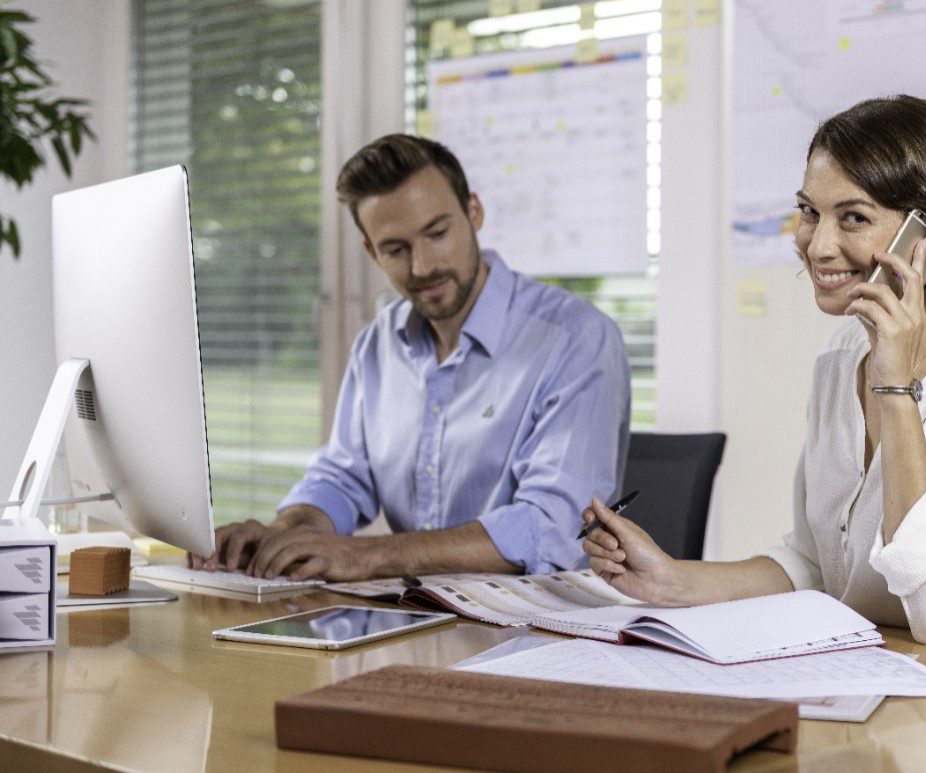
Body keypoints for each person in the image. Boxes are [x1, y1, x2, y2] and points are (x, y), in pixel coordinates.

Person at [583, 95, 926, 649]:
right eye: (810, 212)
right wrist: (673, 581)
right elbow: (817, 565)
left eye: (854, 218)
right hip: (891, 676)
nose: (818, 245)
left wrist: (895, 391)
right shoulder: (843, 354)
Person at [193, 134, 631, 582]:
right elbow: (343, 480)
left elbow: (553, 527)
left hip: (539, 631)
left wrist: (367, 555)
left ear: (473, 212)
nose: (422, 267)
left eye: (437, 233)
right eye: (395, 250)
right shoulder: (376, 346)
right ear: (371, 251)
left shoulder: (574, 339)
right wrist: (282, 537)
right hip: (415, 617)